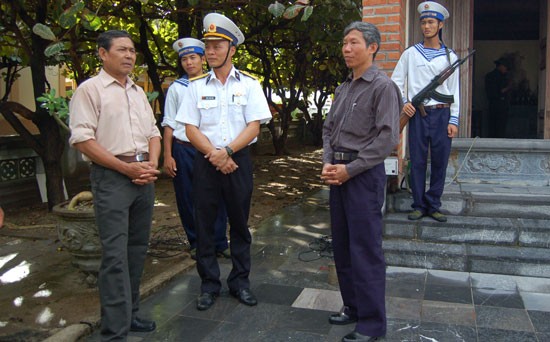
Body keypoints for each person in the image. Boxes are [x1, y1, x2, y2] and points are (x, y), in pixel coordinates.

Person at [69, 30, 160, 340]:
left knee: (136, 250)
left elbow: (154, 133)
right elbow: (82, 139)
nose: (129, 55)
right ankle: (114, 330)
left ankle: (131, 314)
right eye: (121, 49)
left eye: (132, 50)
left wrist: (151, 165)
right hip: (112, 177)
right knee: (115, 256)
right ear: (102, 53)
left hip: (143, 176)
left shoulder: (137, 92)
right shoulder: (89, 90)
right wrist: (126, 168)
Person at [176, 13, 271, 311]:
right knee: (204, 225)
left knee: (240, 225)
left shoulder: (249, 85)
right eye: (209, 45)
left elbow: (254, 125)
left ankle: (240, 283)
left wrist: (227, 152)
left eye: (218, 45)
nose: (211, 51)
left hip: (237, 160)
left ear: (232, 49)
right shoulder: (196, 86)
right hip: (206, 160)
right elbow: (190, 128)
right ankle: (209, 285)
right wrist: (215, 155)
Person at [321, 21, 401, 342]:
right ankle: (352, 306)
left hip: (362, 176)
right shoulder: (344, 88)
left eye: (353, 43)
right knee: (342, 245)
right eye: (344, 43)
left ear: (372, 47)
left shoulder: (382, 87)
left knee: (365, 249)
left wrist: (349, 169)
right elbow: (328, 129)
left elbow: (387, 139)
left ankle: (371, 324)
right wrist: (328, 162)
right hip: (337, 174)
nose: (346, 49)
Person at [391, 1, 460, 223]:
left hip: (442, 115)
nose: (426, 26)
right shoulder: (410, 54)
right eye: (423, 22)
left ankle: (434, 204)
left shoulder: (451, 57)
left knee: (440, 161)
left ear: (440, 25)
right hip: (418, 115)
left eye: (431, 22)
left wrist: (454, 120)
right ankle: (419, 205)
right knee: (417, 161)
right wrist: (404, 102)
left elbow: (455, 91)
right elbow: (396, 83)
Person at [162, 37, 230, 260]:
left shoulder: (216, 84)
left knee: (218, 195)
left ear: (203, 59)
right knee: (187, 197)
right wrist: (168, 155)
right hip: (184, 149)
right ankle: (196, 242)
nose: (189, 63)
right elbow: (169, 124)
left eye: (193, 57)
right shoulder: (177, 89)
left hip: (212, 149)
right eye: (184, 59)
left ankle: (219, 241)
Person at [485, 57, 512, 138]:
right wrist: (509, 87)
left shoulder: (490, 75)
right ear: (500, 66)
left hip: (493, 105)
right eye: (505, 66)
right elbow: (498, 92)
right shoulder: (497, 77)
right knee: (500, 127)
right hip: (499, 105)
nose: (506, 69)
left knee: (493, 126)